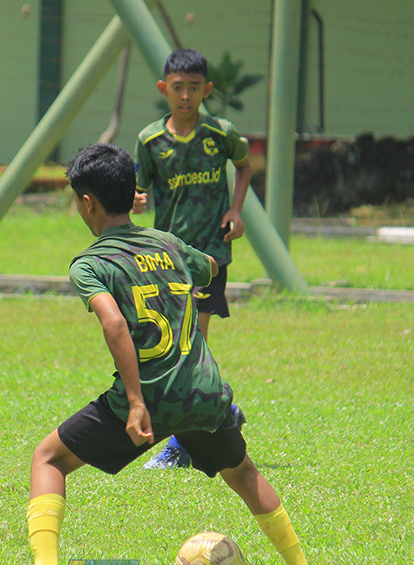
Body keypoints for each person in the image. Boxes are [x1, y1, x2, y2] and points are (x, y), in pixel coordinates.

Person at [0, 143, 323, 565]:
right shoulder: (168, 244)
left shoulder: (91, 264)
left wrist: (137, 401)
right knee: (242, 473)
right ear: (132, 194)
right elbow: (207, 269)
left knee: (49, 459)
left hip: (149, 398)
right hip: (203, 391)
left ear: (88, 202)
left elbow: (113, 323)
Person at [134, 48, 253, 469]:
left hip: (210, 257)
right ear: (164, 89)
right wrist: (134, 198)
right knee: (176, 346)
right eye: (178, 88)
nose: (186, 96)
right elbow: (138, 189)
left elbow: (246, 164)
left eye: (194, 88)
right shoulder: (150, 140)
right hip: (166, 259)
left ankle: (181, 445)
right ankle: (223, 412)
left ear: (208, 90)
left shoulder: (220, 132)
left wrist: (235, 209)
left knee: (190, 346)